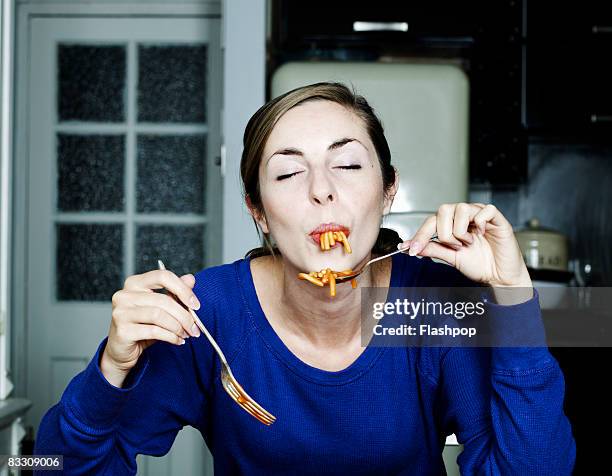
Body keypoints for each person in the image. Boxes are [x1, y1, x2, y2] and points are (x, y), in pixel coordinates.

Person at [34, 82, 576, 475]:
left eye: (348, 165)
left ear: (389, 191)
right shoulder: (205, 314)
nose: (322, 190)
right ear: (260, 213)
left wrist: (513, 301)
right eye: (289, 172)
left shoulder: (436, 304)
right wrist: (110, 369)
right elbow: (48, 466)